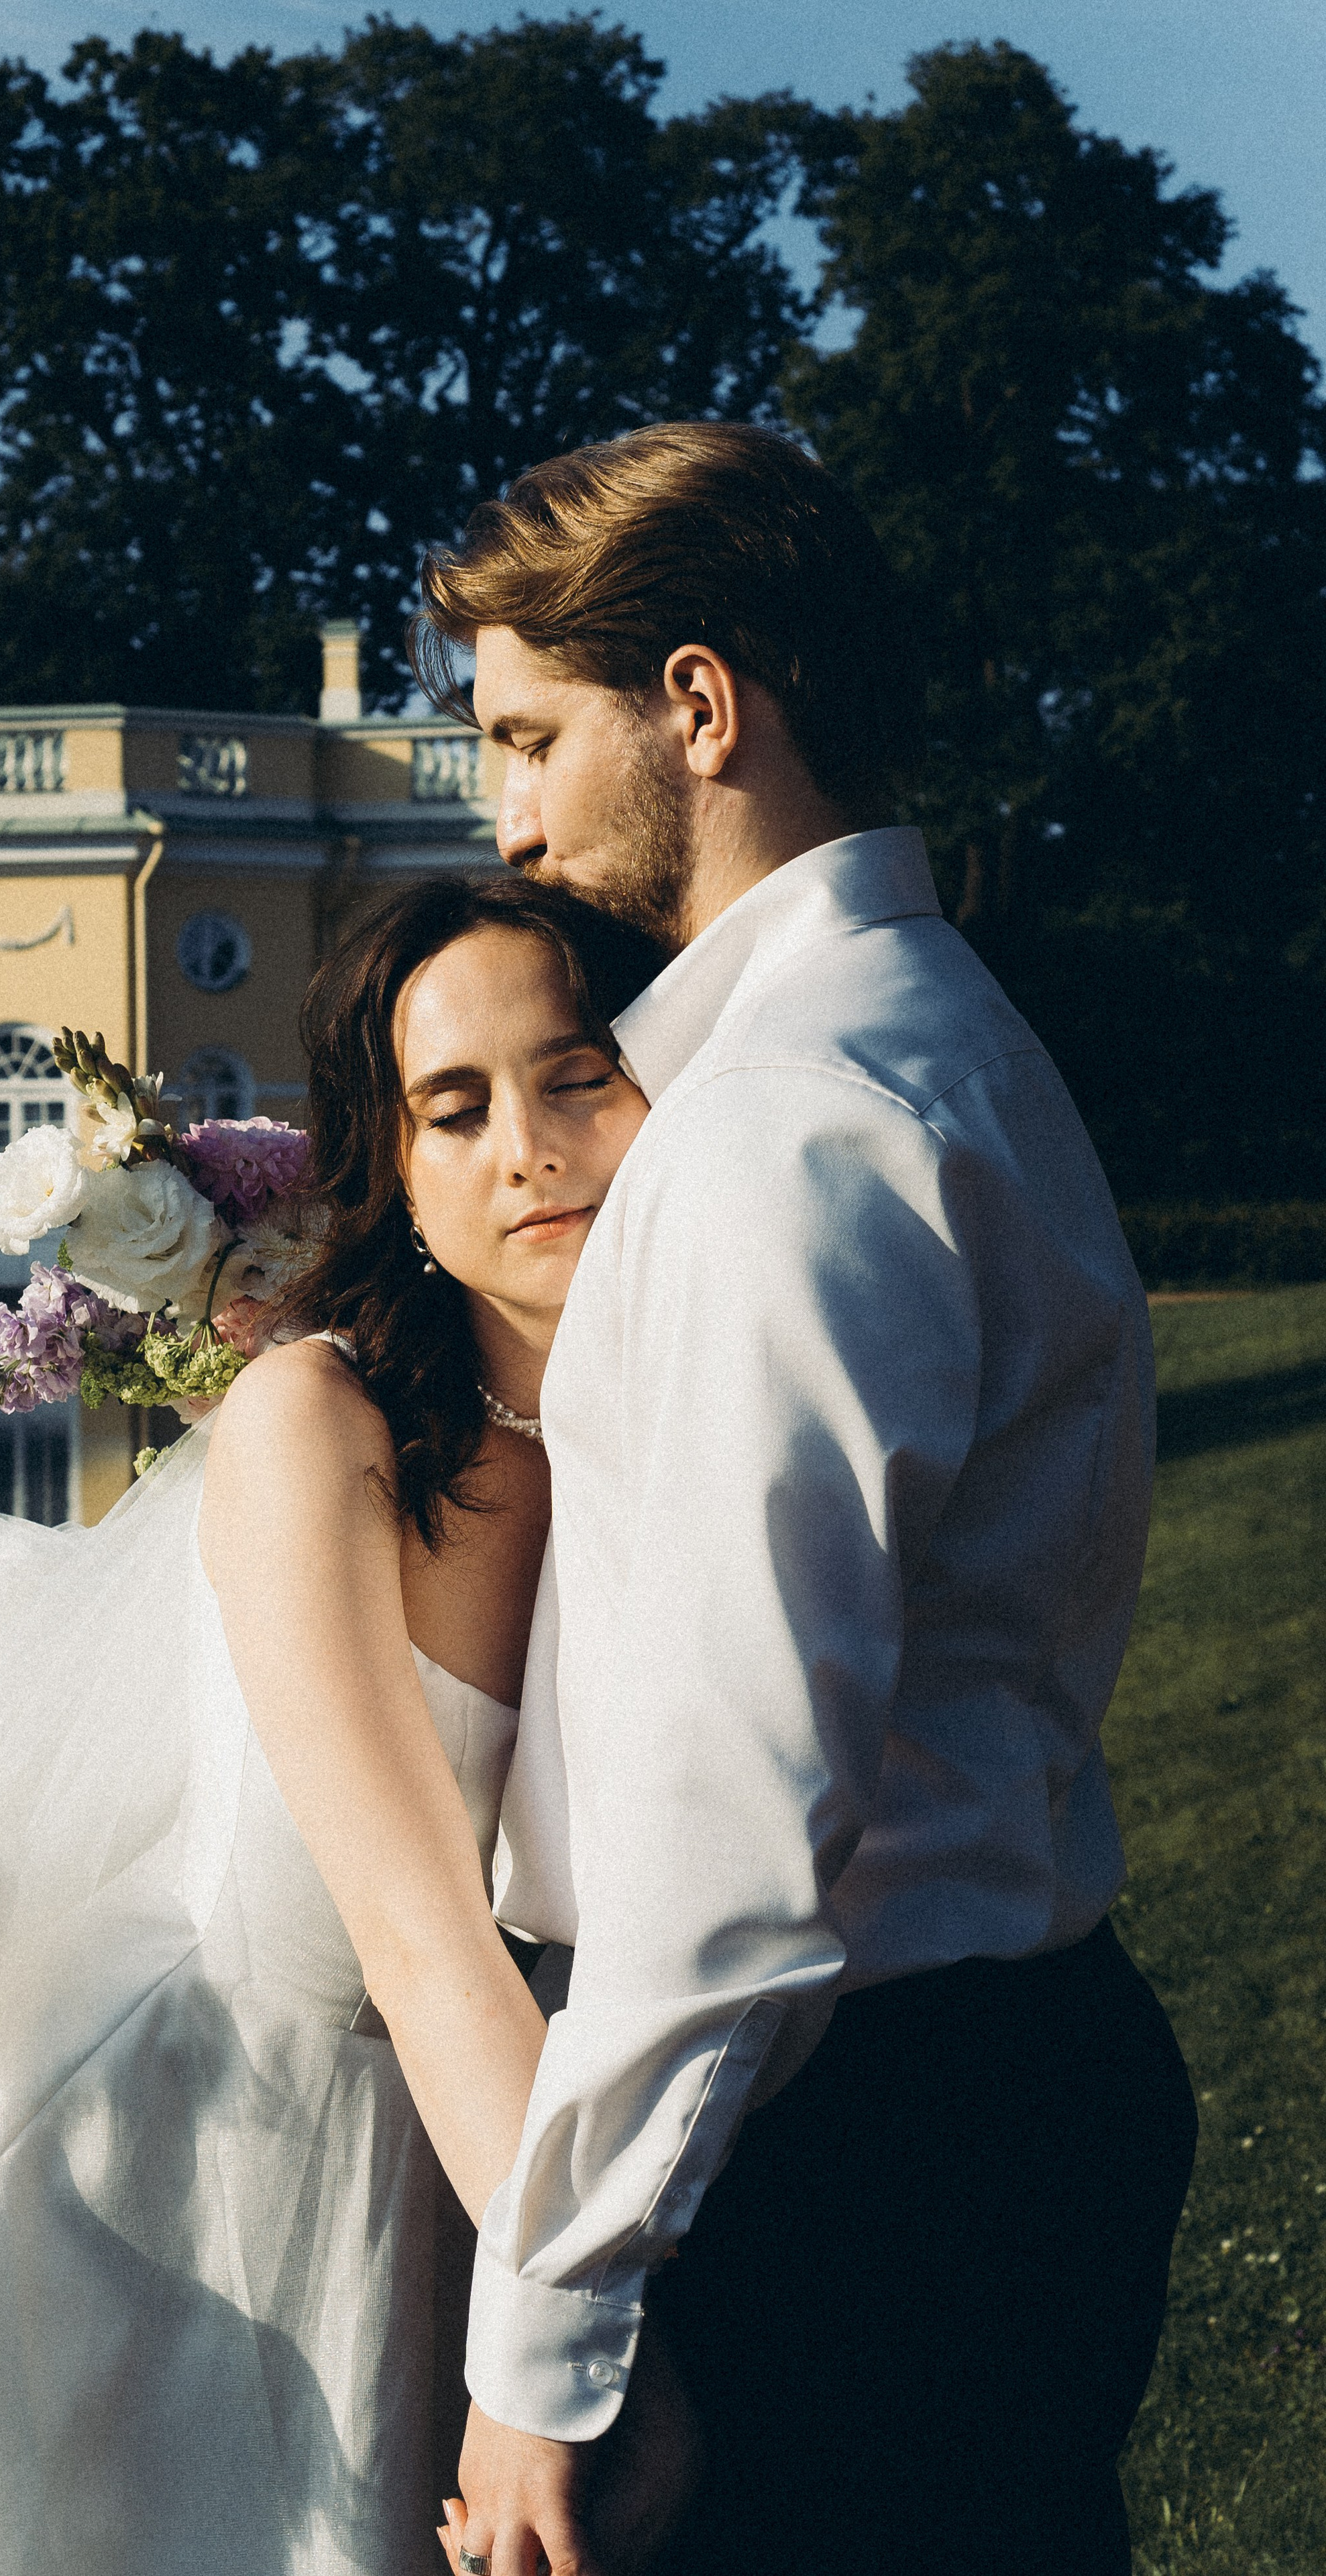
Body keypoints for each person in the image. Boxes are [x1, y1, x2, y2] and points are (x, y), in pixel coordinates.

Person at [0, 875, 668, 2576]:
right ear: (391, 1168)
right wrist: (594, 2336)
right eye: (452, 1107)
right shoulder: (311, 1424)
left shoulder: (654, 1436)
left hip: (440, 2157)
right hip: (158, 2189)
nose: (524, 1149)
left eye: (578, 1075)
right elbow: (418, 1934)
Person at [414, 423, 1199, 2576]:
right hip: (979, 2072)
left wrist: (545, 2331)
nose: (508, 820)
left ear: (695, 702)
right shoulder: (936, 1033)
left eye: (527, 739)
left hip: (861, 2137)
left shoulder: (786, 1122)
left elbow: (736, 1820)